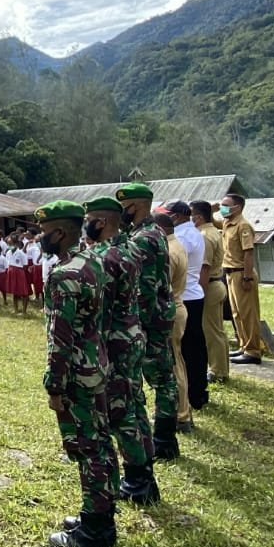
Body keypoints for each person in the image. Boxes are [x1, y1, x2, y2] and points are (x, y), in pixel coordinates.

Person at [36, 200, 118, 547]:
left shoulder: (64, 274)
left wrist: (55, 385)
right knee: (100, 441)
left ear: (61, 232)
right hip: (96, 365)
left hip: (76, 375)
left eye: (45, 231)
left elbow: (61, 338)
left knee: (88, 448)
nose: (42, 238)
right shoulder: (93, 261)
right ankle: (99, 513)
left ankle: (95, 532)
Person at [84, 197, 159, 505]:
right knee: (134, 403)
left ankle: (138, 480)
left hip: (113, 340)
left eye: (89, 219)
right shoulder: (128, 250)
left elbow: (97, 307)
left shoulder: (103, 257)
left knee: (119, 411)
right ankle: (144, 473)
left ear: (100, 223)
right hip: (131, 334)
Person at [115, 182, 179, 461]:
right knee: (163, 377)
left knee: (161, 379)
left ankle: (163, 439)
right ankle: (165, 439)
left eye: (124, 206)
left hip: (148, 318)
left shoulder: (145, 237)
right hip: (156, 315)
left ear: (136, 206)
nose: (122, 212)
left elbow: (144, 287)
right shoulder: (147, 232)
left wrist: (132, 321)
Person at [167, 201, 208, 420]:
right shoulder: (194, 233)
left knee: (186, 351)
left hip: (185, 296)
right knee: (196, 346)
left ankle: (193, 394)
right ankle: (198, 391)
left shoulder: (181, 238)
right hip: (194, 294)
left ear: (177, 216)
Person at [154, 213, 191, 433]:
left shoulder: (168, 251)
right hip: (177, 306)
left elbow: (160, 286)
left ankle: (180, 415)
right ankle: (182, 411)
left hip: (170, 310)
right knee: (177, 361)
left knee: (172, 365)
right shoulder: (176, 245)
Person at [218, 193, 263, 364]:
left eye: (226, 205)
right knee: (237, 313)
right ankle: (244, 346)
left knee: (248, 313)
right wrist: (214, 208)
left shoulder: (243, 226)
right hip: (230, 273)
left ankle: (253, 351)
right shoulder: (227, 223)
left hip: (241, 273)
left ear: (237, 207)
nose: (222, 207)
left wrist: (247, 277)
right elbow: (211, 220)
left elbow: (248, 253)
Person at [191, 201, 230, 384]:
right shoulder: (214, 231)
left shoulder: (205, 235)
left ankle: (218, 371)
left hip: (210, 286)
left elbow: (204, 269)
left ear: (198, 217)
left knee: (211, 331)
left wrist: (200, 293)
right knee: (217, 330)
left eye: (192, 216)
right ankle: (221, 367)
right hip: (216, 284)